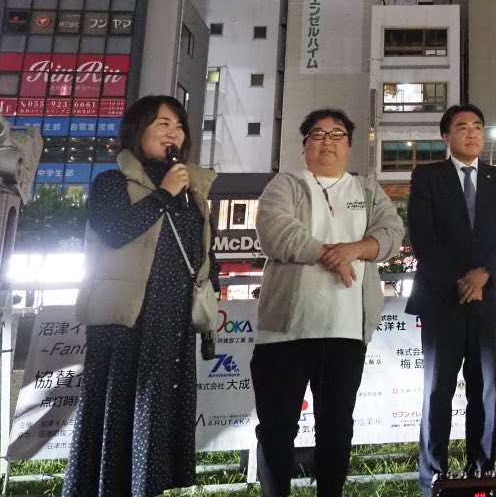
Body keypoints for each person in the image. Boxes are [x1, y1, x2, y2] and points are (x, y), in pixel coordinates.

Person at [63, 95, 219, 497]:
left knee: (159, 416)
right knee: (118, 415)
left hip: (174, 318)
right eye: (162, 124)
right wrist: (164, 193)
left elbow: (200, 252)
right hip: (127, 320)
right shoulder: (111, 183)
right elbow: (116, 232)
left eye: (179, 126)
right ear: (137, 132)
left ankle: (148, 487)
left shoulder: (192, 191)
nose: (174, 133)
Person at [252, 108, 404, 497]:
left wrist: (356, 248)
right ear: (304, 145)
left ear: (350, 146)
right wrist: (330, 254)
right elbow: (276, 233)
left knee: (337, 427)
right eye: (317, 134)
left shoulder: (367, 190)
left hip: (346, 332)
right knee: (276, 428)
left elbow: (391, 232)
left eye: (337, 134)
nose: (327, 141)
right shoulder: (285, 185)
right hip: (284, 335)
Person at [407, 104, 496, 496]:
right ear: (447, 137)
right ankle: (433, 477)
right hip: (443, 299)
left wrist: (485, 274)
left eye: (478, 126)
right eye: (462, 127)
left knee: (485, 389)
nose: (472, 133)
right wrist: (460, 282)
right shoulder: (427, 177)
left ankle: (482, 473)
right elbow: (423, 235)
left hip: (488, 299)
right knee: (438, 389)